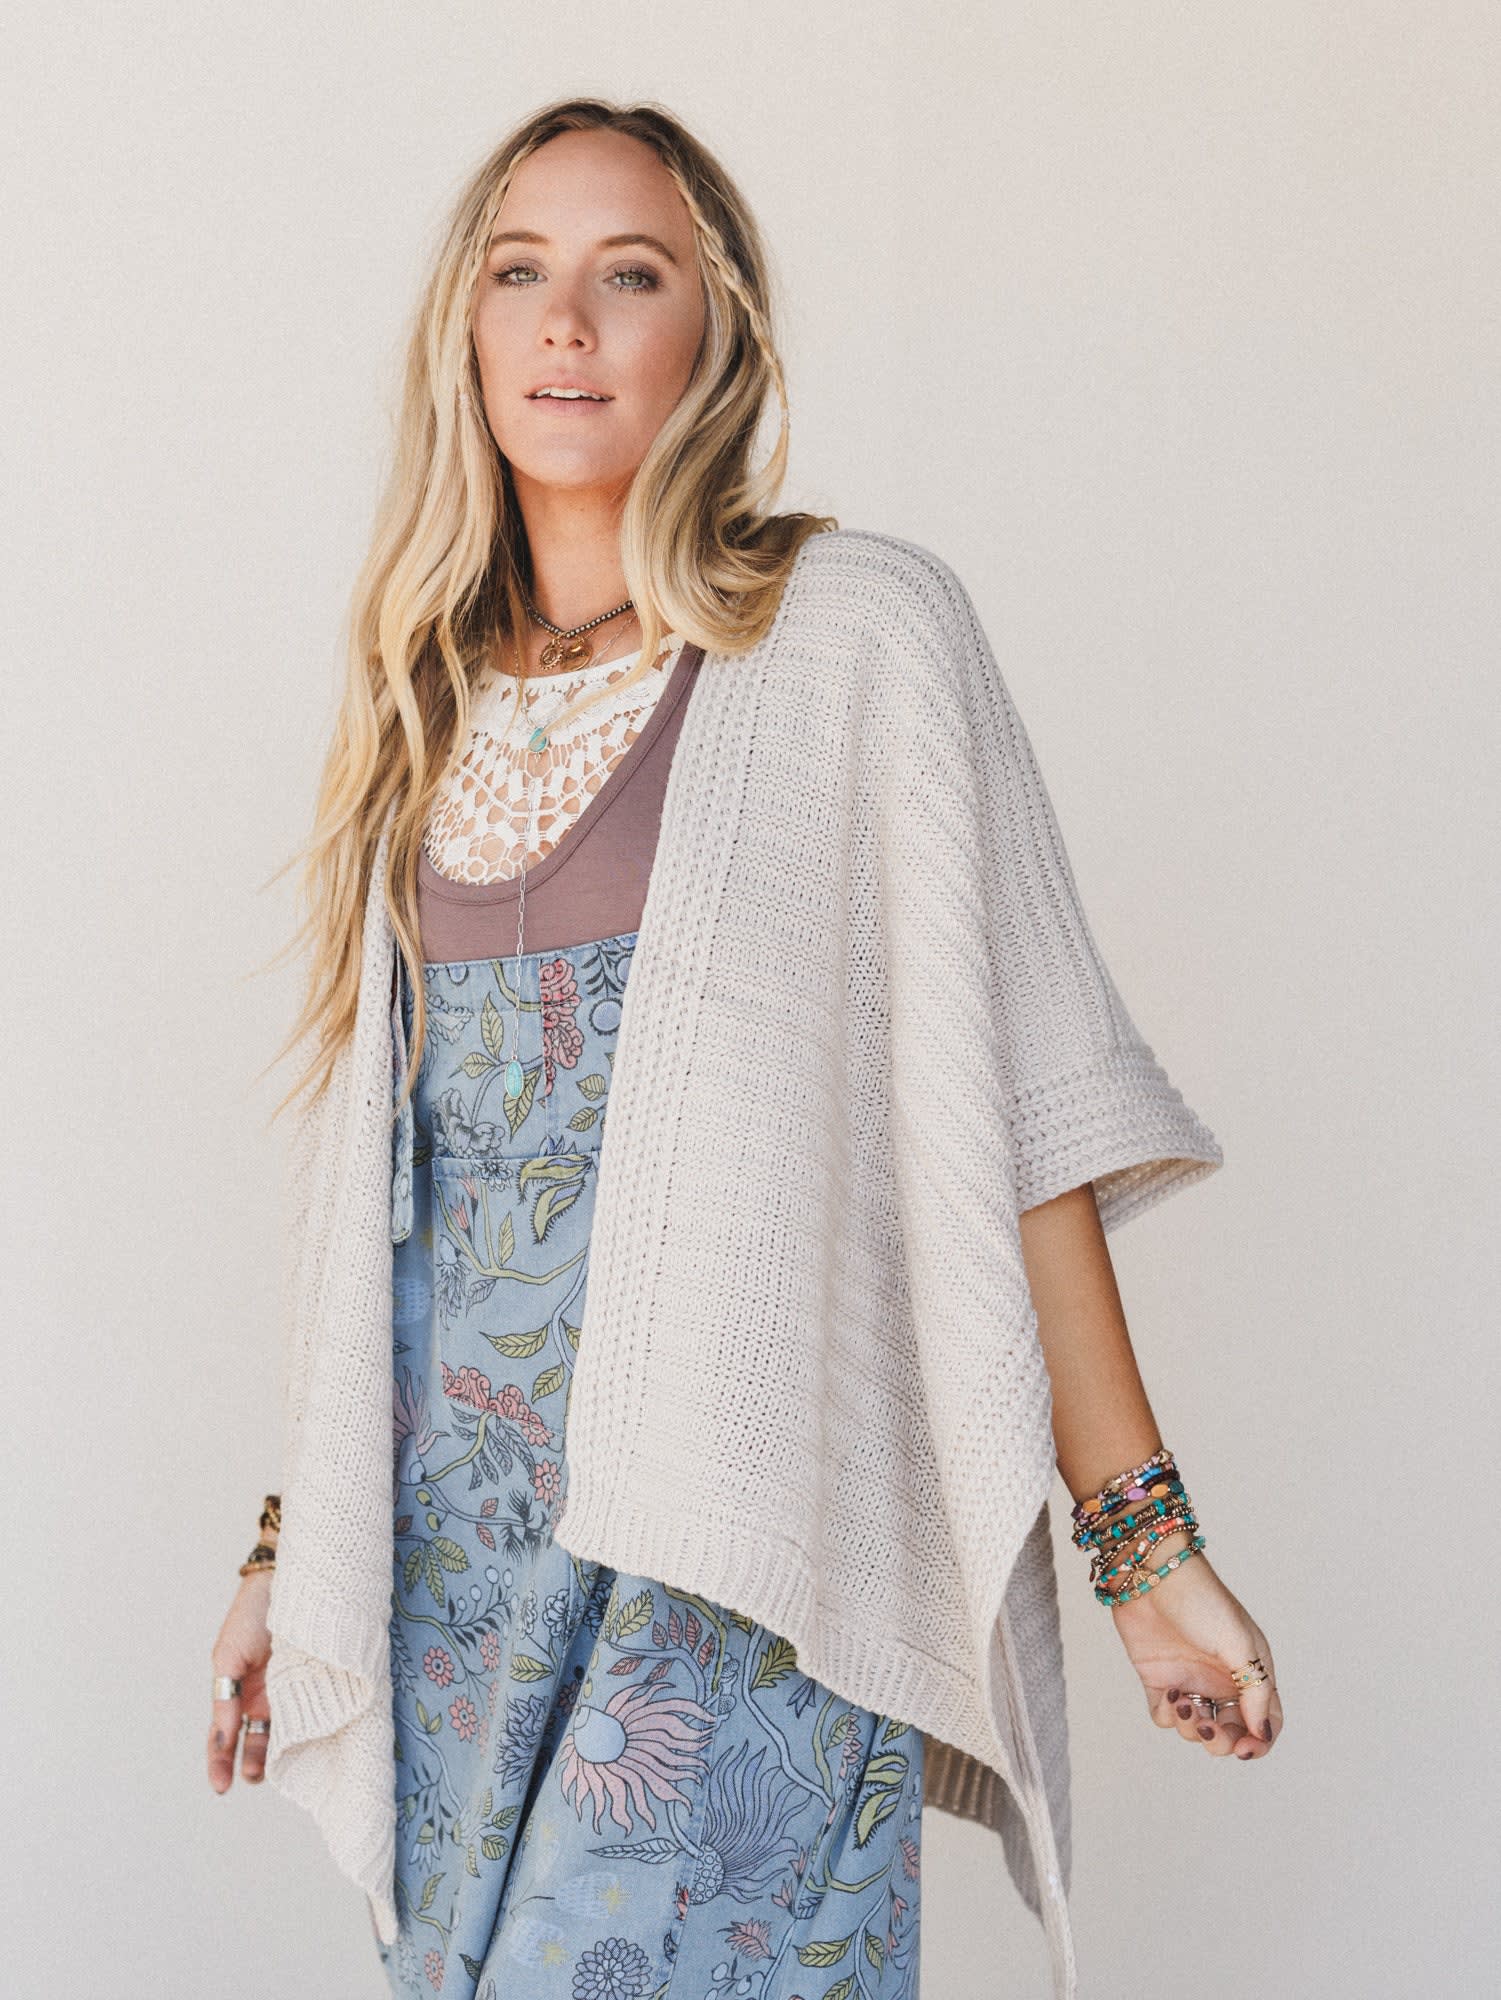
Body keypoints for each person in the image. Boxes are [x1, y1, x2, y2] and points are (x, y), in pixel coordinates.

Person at [207, 97, 1279, 2000]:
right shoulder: (416, 694)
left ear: (715, 329)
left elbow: (1012, 1122)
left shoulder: (856, 635)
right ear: (464, 329)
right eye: (520, 274)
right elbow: (382, 1211)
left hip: (736, 1534)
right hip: (453, 1572)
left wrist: (1143, 1551)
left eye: (630, 275)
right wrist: (293, 1546)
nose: (566, 323)